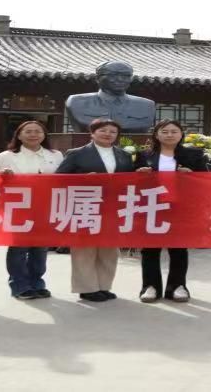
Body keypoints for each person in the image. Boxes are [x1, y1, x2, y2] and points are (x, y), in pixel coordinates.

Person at [56, 118, 135, 302]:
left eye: (113, 132)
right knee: (85, 249)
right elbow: (59, 178)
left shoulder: (124, 155)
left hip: (113, 206)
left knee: (109, 249)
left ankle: (104, 286)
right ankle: (87, 288)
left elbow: (130, 179)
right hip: (86, 205)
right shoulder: (76, 153)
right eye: (103, 130)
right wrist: (82, 179)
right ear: (92, 133)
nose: (108, 134)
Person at [133, 119, 209, 303]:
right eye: (164, 131)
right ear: (156, 134)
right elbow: (131, 180)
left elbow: (206, 179)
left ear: (181, 134)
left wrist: (192, 175)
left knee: (179, 248)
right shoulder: (144, 155)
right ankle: (150, 286)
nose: (169, 135)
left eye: (174, 131)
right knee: (150, 249)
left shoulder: (194, 154)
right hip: (152, 206)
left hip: (181, 207)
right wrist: (139, 174)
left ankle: (177, 286)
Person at [0, 119, 63, 301]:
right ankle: (20, 285)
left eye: (37, 131)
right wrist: (2, 176)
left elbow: (64, 179)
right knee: (19, 248)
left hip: (46, 207)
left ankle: (37, 283)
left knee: (41, 248)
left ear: (44, 135)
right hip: (18, 208)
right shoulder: (5, 157)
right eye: (28, 131)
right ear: (19, 136)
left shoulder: (56, 155)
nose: (33, 135)